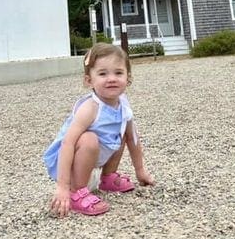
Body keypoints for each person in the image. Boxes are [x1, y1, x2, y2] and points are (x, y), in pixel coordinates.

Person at [43, 42, 155, 217]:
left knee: (123, 129)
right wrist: (63, 187)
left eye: (118, 73)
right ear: (89, 81)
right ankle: (76, 191)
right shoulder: (90, 108)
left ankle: (108, 177)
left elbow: (133, 138)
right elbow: (67, 144)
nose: (111, 78)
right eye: (103, 74)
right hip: (69, 162)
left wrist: (140, 171)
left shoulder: (123, 105)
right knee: (89, 138)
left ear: (128, 77)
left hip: (94, 157)